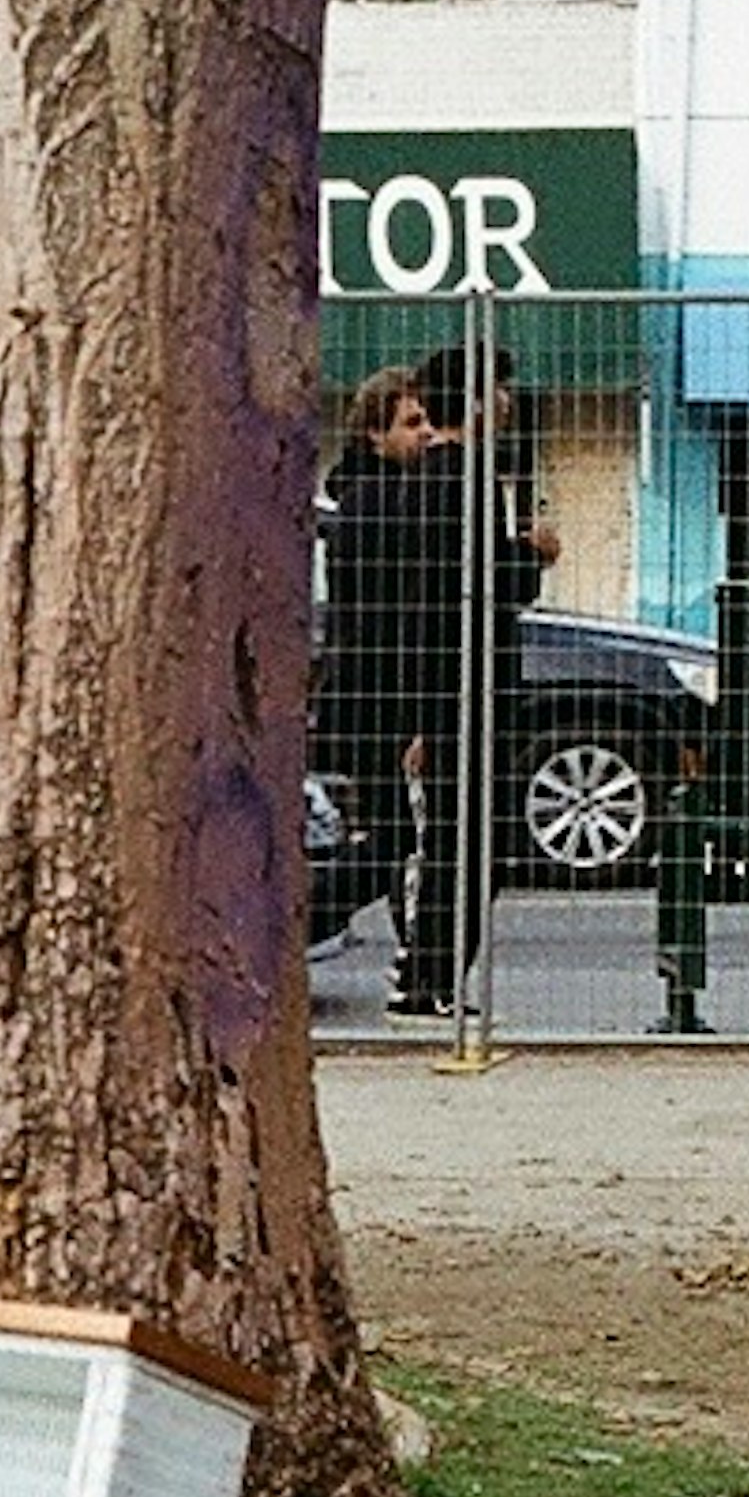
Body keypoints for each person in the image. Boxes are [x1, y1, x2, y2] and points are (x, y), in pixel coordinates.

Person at [314, 349, 551, 1017]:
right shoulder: (439, 488)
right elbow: (451, 599)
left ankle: (422, 968)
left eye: (423, 419)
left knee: (421, 841)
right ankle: (421, 971)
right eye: (406, 422)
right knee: (435, 842)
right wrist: (530, 559)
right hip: (421, 696)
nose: (419, 435)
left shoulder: (412, 488)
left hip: (419, 693)